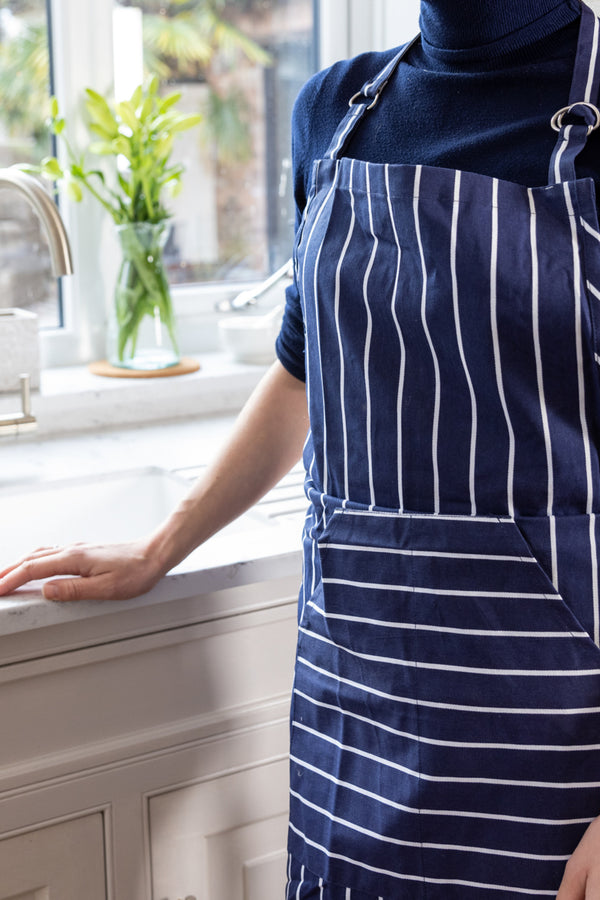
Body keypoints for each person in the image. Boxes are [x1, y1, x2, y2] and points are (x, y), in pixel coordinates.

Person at [2, 0, 600, 895]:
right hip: (354, 709)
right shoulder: (335, 106)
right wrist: (164, 544)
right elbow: (302, 371)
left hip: (552, 734)